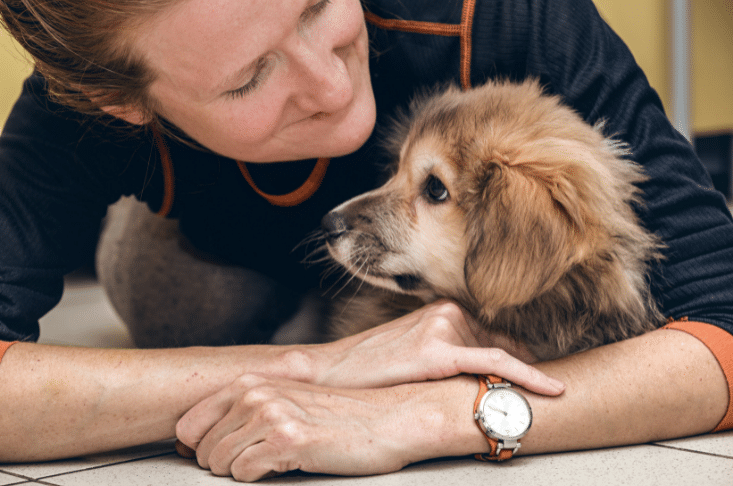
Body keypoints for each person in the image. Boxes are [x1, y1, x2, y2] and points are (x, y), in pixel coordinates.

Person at [0, 0, 731, 482]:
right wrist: (314, 368)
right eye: (250, 77)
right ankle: (151, 221)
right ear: (121, 102)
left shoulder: (501, 15)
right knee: (177, 303)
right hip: (217, 241)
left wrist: (435, 415)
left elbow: (722, 324)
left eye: (317, 5)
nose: (329, 85)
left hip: (449, 264)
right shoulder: (77, 112)